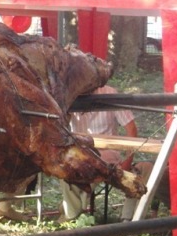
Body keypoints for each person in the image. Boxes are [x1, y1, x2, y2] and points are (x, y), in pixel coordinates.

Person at [59, 85, 138, 222]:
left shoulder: (110, 93)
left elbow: (131, 129)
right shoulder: (69, 92)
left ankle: (72, 213)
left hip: (107, 151)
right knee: (65, 166)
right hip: (79, 151)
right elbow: (60, 127)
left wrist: (127, 161)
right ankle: (73, 210)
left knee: (89, 165)